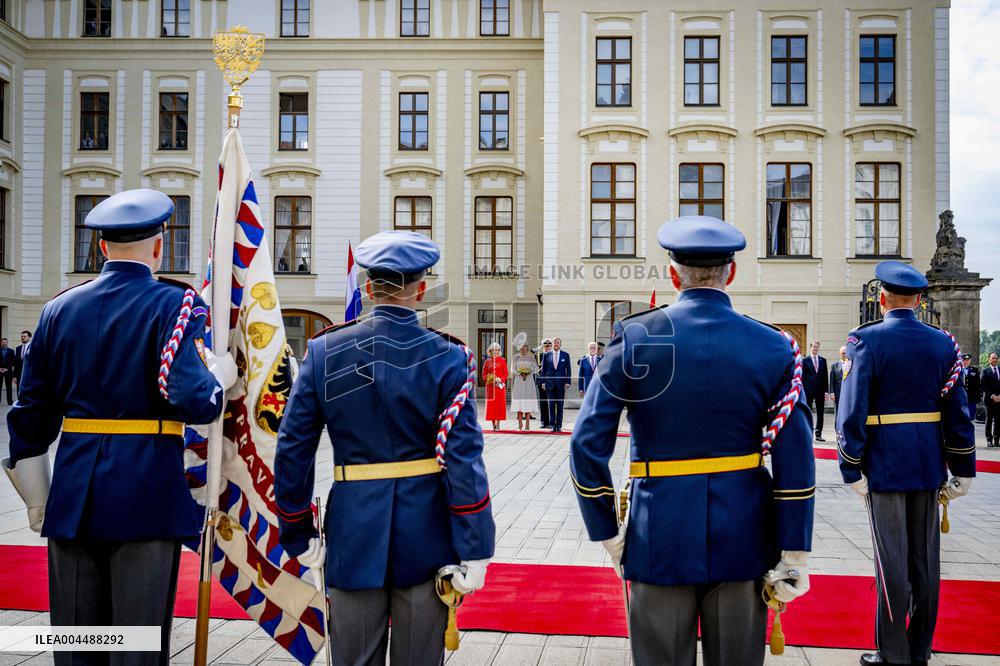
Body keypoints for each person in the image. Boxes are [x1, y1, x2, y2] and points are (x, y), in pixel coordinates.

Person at [3, 189, 238, 666]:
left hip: (71, 496)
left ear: (103, 248)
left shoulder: (58, 309)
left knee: (75, 645)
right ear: (159, 246)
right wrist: (222, 376)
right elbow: (195, 401)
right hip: (145, 491)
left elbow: (29, 415)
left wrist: (37, 500)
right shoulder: (175, 306)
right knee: (136, 646)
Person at [570, 216, 815, 666]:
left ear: (672, 274)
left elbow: (586, 446)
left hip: (656, 531)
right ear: (732, 273)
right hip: (744, 533)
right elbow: (795, 457)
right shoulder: (775, 346)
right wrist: (794, 549)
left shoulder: (634, 339)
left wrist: (608, 533)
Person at [274, 230, 495, 666]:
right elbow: (464, 458)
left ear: (369, 288)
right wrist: (476, 544)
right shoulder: (449, 357)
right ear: (422, 290)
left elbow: (293, 448)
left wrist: (296, 529)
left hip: (353, 531)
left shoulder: (323, 352)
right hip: (426, 534)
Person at [837, 261, 976, 666]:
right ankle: (920, 649)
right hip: (928, 462)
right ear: (919, 300)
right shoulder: (943, 343)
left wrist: (850, 464)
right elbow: (958, 410)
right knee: (925, 562)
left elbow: (852, 411)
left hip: (884, 463)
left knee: (891, 562)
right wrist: (963, 466)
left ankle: (893, 652)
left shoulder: (865, 341)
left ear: (881, 299)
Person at [540, 337, 571, 432]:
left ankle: (559, 425)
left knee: (560, 406)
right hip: (549, 384)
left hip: (561, 384)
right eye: (554, 343)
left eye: (557, 342)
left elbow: (568, 370)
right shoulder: (547, 355)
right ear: (553, 344)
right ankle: (552, 425)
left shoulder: (565, 355)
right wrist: (543, 382)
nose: (556, 344)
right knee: (551, 405)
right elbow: (543, 370)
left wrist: (568, 382)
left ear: (560, 344)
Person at [802, 341, 829, 440]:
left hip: (820, 390)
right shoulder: (805, 360)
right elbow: (801, 376)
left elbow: (825, 376)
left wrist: (826, 391)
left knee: (820, 412)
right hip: (808, 390)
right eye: (814, 347)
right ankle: (808, 433)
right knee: (808, 412)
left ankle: (818, 434)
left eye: (817, 347)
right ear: (811, 347)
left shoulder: (823, 360)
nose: (816, 348)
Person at [510, 341, 540, 431]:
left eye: (525, 347)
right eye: (521, 347)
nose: (523, 348)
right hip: (519, 381)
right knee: (519, 401)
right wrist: (520, 372)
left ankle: (527, 424)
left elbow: (536, 369)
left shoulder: (531, 357)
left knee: (528, 401)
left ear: (527, 348)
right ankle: (520, 424)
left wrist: (528, 372)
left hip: (529, 380)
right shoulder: (516, 357)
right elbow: (512, 369)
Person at [483, 342, 508, 431]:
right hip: (490, 387)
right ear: (490, 351)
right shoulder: (487, 361)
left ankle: (498, 424)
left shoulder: (502, 360)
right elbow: (484, 375)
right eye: (493, 350)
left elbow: (506, 374)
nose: (495, 352)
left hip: (499, 387)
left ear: (499, 351)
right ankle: (493, 424)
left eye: (497, 350)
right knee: (492, 406)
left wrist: (500, 379)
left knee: (499, 405)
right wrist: (489, 379)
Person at [983, 352, 1000, 447]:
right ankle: (989, 440)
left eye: (996, 358)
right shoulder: (985, 371)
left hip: (999, 400)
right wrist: (993, 396)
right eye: (993, 358)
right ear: (989, 359)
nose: (995, 360)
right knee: (989, 420)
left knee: (998, 420)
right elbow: (983, 385)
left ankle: (997, 440)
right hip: (990, 400)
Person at [536, 338, 553, 428]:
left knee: (551, 403)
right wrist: (539, 347)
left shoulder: (554, 355)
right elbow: (531, 354)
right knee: (543, 402)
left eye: (549, 346)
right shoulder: (539, 355)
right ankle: (544, 422)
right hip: (541, 381)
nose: (547, 347)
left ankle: (551, 422)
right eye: (545, 346)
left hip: (551, 382)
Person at [961, 354, 981, 424]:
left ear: (970, 360)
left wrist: (978, 397)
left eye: (968, 360)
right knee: (961, 417)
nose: (966, 361)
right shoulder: (957, 370)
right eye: (964, 360)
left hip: (971, 398)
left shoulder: (974, 370)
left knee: (971, 418)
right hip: (960, 397)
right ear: (961, 360)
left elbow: (978, 385)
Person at [830, 345, 849, 413]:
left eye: (845, 353)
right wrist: (832, 393)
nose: (844, 355)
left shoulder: (851, 364)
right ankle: (837, 424)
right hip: (838, 392)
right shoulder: (834, 365)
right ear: (839, 354)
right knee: (838, 411)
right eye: (842, 353)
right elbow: (831, 380)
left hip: (848, 392)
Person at [13, 330, 32, 400]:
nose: (23, 338)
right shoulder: (18, 348)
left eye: (25, 336)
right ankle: (20, 402)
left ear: (29, 337)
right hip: (19, 374)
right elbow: (15, 363)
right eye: (22, 336)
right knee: (19, 390)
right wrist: (14, 376)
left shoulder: (34, 347)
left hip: (30, 374)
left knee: (29, 390)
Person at [0, 338, 14, 405]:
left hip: (8, 371)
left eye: (5, 342)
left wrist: (7, 368)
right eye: (3, 342)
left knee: (9, 387)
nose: (4, 343)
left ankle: (10, 401)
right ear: (1, 343)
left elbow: (12, 361)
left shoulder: (11, 351)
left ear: (7, 343)